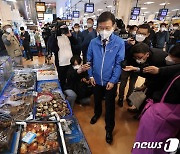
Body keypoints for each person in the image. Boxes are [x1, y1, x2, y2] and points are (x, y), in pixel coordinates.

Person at [87, 11, 125, 144]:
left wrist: (113, 80)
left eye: (107, 28)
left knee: (110, 106)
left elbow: (119, 63)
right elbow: (89, 61)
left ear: (113, 26)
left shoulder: (119, 43)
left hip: (110, 81)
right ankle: (97, 114)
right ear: (97, 27)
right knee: (97, 100)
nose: (104, 31)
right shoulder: (93, 42)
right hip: (96, 79)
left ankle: (109, 129)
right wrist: (90, 75)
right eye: (101, 28)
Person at [118, 24, 151, 107]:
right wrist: (127, 44)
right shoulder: (131, 40)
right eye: (139, 32)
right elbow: (122, 51)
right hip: (127, 65)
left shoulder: (148, 44)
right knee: (123, 83)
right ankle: (120, 98)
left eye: (143, 34)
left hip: (137, 67)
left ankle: (129, 98)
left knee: (132, 84)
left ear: (147, 35)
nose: (140, 35)